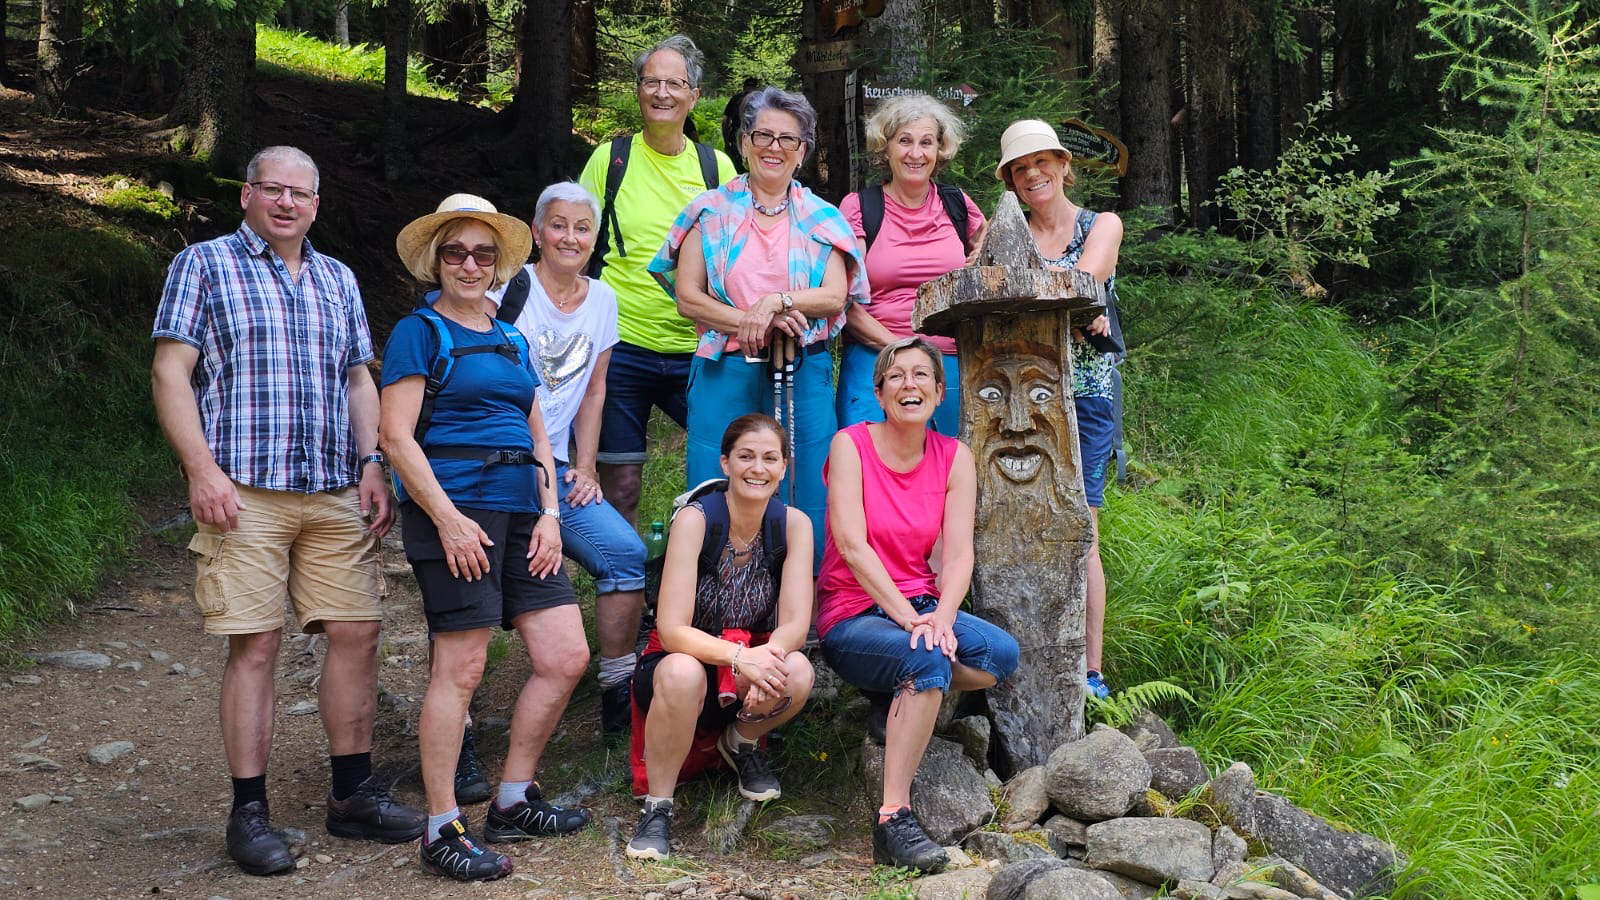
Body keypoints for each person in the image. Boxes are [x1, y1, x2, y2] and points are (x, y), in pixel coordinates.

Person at [151, 146, 425, 877]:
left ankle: (351, 795)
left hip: (335, 488)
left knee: (358, 632)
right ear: (247, 195)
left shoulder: (336, 277)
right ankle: (249, 813)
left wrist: (373, 463)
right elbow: (170, 372)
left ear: (315, 203)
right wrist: (200, 469)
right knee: (257, 646)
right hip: (243, 491)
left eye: (299, 193)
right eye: (271, 189)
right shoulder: (204, 265)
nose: (285, 202)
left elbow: (358, 379)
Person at [380, 194, 592, 882]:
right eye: (454, 252)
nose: (469, 264)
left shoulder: (509, 336)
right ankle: (442, 826)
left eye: (480, 253)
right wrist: (445, 518)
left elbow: (537, 432)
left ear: (497, 262)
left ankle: (511, 799)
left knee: (565, 655)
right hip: (457, 512)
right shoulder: (420, 331)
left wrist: (552, 515)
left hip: (523, 514)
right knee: (461, 668)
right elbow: (395, 436)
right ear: (436, 262)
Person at [816, 337, 1021, 873]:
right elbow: (853, 547)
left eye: (921, 376)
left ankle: (899, 695)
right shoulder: (850, 445)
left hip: (922, 605)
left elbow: (958, 556)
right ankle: (893, 818)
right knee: (927, 659)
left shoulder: (955, 457)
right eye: (897, 377)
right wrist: (911, 620)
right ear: (880, 393)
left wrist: (943, 615)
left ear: (939, 389)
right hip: (856, 610)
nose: (910, 385)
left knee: (999, 655)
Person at [649, 86, 869, 558]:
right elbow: (688, 296)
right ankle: (712, 588)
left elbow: (834, 296)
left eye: (787, 139)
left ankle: (803, 601)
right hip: (724, 368)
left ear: (803, 151)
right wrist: (754, 321)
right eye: (763, 135)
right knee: (716, 475)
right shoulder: (709, 211)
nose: (774, 147)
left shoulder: (823, 217)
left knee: (806, 477)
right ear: (745, 142)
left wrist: (775, 302)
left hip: (803, 370)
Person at [625, 414, 816, 862]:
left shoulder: (793, 525)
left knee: (799, 670)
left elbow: (794, 624)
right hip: (681, 660)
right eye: (746, 456)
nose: (758, 468)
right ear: (726, 462)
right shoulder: (696, 520)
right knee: (682, 671)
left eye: (771, 458)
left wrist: (765, 657)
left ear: (785, 467)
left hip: (748, 661)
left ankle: (742, 742)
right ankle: (658, 808)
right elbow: (671, 629)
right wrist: (739, 658)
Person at [501, 181, 646, 743]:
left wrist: (586, 469)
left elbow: (594, 391)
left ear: (595, 238)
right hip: (502, 465)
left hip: (558, 468)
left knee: (626, 553)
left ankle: (617, 688)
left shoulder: (603, 300)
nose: (569, 236)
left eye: (582, 227)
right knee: (476, 588)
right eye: (558, 225)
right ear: (537, 232)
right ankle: (462, 726)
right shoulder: (509, 291)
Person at [579, 34, 737, 541]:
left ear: (694, 95)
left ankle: (707, 576)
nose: (662, 93)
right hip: (620, 345)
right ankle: (627, 579)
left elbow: (739, 259)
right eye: (652, 82)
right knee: (621, 484)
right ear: (638, 90)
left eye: (675, 83)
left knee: (724, 472)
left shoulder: (718, 168)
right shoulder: (611, 159)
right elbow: (577, 241)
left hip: (699, 346)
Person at [995, 119, 1125, 700]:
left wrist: (1074, 298)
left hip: (1087, 395)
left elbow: (1082, 280)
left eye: (1042, 162)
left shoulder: (1103, 224)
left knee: (1082, 527)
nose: (1033, 174)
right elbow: (987, 285)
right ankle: (1023, 655)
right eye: (1020, 169)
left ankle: (1090, 669)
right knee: (1014, 519)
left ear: (1064, 165)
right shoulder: (1006, 231)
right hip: (1019, 393)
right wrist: (1073, 305)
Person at [837, 94, 987, 435]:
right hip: (876, 357)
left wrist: (982, 260)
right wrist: (901, 349)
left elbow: (998, 257)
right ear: (886, 148)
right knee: (871, 468)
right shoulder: (860, 207)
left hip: (949, 363)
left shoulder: (957, 204)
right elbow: (843, 297)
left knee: (948, 470)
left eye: (926, 142)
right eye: (904, 141)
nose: (915, 153)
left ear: (940, 149)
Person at [721, 76, 760, 174]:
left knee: (737, 169)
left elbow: (725, 121)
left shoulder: (737, 99)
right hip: (753, 138)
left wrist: (727, 141)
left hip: (739, 137)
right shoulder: (761, 101)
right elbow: (725, 120)